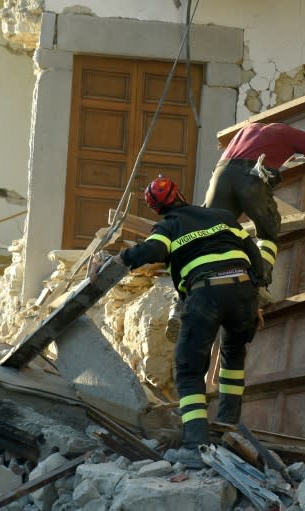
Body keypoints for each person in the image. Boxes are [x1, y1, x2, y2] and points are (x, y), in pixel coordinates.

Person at [89, 175, 265, 469]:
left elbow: (153, 251)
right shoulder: (222, 217)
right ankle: (228, 427)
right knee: (233, 358)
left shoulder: (169, 226)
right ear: (181, 194)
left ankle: (196, 445)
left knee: (188, 369)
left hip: (206, 293)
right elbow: (253, 253)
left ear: (156, 209)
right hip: (243, 290)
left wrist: (117, 259)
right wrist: (254, 298)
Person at [163, 122, 305, 341]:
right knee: (268, 230)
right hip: (250, 177)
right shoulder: (294, 134)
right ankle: (256, 288)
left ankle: (179, 308)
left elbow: (256, 153)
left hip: (221, 175)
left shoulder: (247, 131)